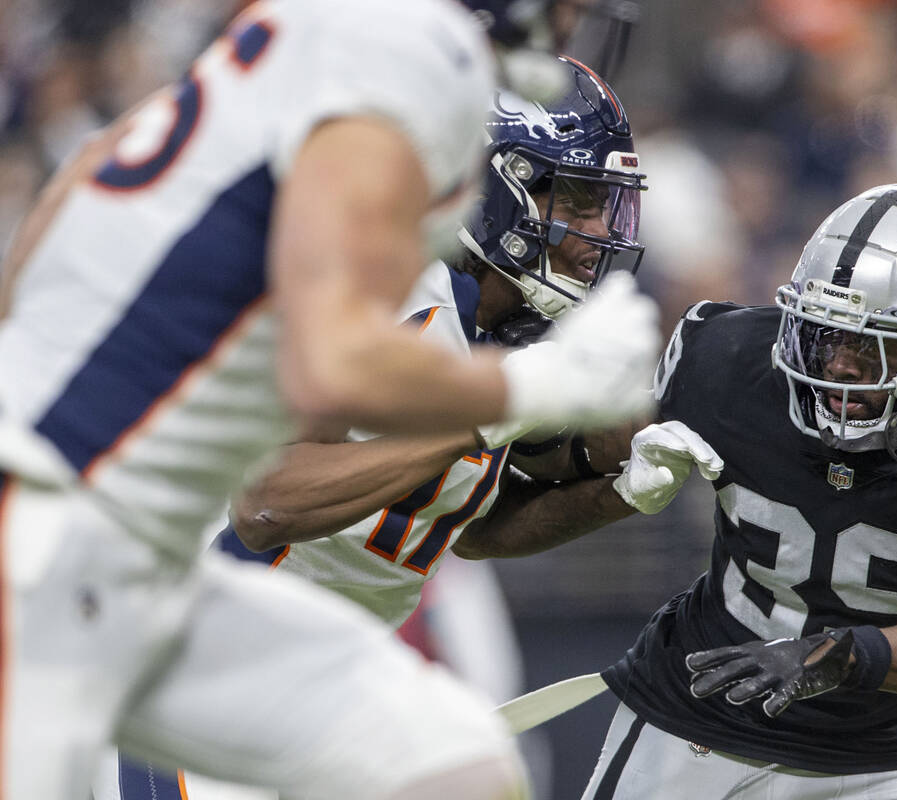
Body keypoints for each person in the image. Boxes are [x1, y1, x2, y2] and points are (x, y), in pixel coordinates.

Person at [0, 0, 661, 797]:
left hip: (228, 612)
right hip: (114, 576)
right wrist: (506, 401)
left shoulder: (469, 299)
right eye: (576, 201)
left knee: (463, 765)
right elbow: (269, 501)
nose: (592, 231)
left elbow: (457, 517)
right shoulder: (388, 194)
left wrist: (610, 472)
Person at [579, 183, 897, 798]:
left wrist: (843, 655)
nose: (839, 366)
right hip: (691, 721)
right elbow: (538, 494)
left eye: (876, 344)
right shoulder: (731, 360)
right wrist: (613, 483)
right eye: (826, 333)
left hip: (866, 757)